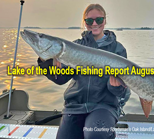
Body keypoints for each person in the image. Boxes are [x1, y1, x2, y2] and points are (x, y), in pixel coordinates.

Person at [37, 4, 130, 139]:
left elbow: (121, 90)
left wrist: (114, 86)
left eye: (98, 20)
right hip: (75, 106)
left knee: (95, 135)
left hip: (104, 106)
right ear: (84, 22)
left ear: (105, 21)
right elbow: (60, 78)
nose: (94, 24)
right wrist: (44, 60)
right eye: (89, 20)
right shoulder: (74, 47)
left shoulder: (118, 49)